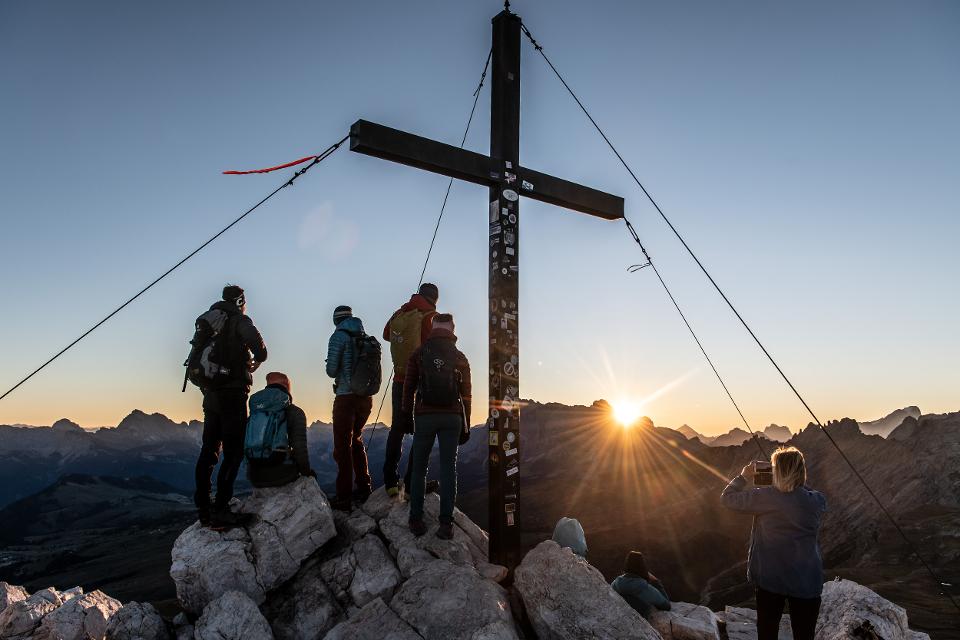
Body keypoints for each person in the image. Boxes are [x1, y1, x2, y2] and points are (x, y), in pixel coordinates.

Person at [721, 447, 827, 640]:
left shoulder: (765, 497)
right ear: (801, 471)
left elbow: (727, 498)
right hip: (807, 580)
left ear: (777, 472)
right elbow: (806, 493)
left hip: (770, 578)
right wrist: (792, 481)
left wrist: (744, 476)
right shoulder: (816, 501)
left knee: (767, 632)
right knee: (805, 635)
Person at [194, 284, 267, 528]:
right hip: (233, 393)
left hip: (211, 393)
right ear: (240, 301)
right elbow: (259, 348)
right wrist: (258, 358)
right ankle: (221, 510)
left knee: (209, 450)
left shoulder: (210, 321)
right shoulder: (239, 320)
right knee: (233, 452)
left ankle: (204, 508)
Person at [402, 313, 471, 539]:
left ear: (433, 328)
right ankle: (445, 524)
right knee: (448, 468)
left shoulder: (419, 353)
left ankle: (416, 519)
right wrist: (466, 424)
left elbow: (408, 387)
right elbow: (466, 395)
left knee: (419, 468)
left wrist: (406, 415)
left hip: (425, 416)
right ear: (452, 329)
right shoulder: (460, 357)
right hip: (452, 417)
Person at [382, 282, 438, 497]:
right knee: (422, 430)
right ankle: (413, 484)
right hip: (422, 381)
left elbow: (386, 334)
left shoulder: (401, 312)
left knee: (397, 428)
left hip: (399, 379)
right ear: (434, 298)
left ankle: (390, 482)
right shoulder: (431, 316)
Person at [326, 305, 373, 511]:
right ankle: (364, 487)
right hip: (365, 397)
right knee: (356, 440)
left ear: (336, 320)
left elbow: (331, 370)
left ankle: (343, 496)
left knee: (342, 446)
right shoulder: (365, 337)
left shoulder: (338, 337)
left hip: (345, 397)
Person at [246, 372, 315, 488]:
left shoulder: (255, 412)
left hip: (254, 477)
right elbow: (300, 449)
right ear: (286, 386)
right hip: (282, 476)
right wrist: (307, 473)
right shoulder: (295, 412)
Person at [611, 551, 671, 619]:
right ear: (642, 567)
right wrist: (656, 582)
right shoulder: (644, 588)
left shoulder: (615, 584)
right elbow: (667, 606)